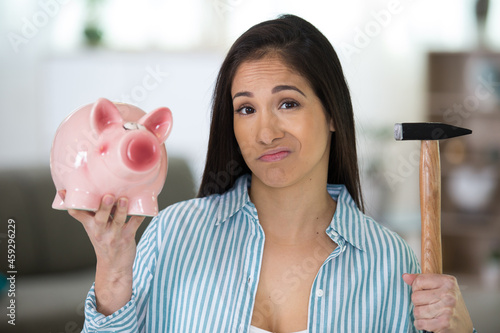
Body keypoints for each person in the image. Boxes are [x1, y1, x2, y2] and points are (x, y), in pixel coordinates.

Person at [70, 14, 476, 333]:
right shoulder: (173, 234)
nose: (265, 133)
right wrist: (112, 274)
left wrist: (462, 330)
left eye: (288, 104)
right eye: (246, 109)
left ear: (333, 113)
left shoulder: (390, 263)